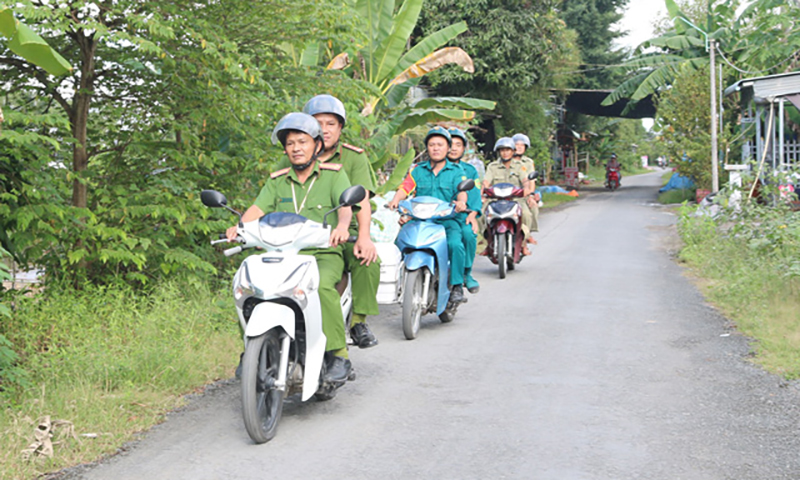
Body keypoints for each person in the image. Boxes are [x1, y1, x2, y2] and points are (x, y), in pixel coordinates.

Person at [226, 112, 355, 383]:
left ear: (316, 145)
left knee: (321, 288)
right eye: (290, 144)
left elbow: (346, 208)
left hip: (321, 254)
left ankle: (338, 354)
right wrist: (238, 228)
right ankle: (251, 348)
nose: (296, 148)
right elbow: (257, 209)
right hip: (279, 255)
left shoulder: (333, 176)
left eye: (302, 141)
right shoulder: (277, 180)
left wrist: (342, 228)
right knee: (248, 288)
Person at [273, 94, 380, 349]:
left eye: (331, 123)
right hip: (300, 234)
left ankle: (358, 321)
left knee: (367, 260)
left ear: (340, 127)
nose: (324, 129)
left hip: (345, 230)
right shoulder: (292, 155)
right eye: (317, 122)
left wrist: (363, 237)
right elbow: (271, 195)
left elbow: (360, 199)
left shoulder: (354, 158)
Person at [387, 126, 469, 304]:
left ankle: (456, 286)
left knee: (455, 245)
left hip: (446, 221)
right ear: (427, 148)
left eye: (440, 144)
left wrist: (461, 202)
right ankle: (395, 283)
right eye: (432, 144)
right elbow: (405, 187)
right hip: (419, 220)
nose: (436, 148)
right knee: (398, 243)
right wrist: (395, 199)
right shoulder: (417, 170)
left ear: (447, 148)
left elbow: (462, 191)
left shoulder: (456, 172)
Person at [483, 137, 535, 256]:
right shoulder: (492, 166)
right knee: (482, 213)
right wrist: (482, 192)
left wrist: (527, 190)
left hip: (516, 199)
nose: (505, 153)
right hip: (495, 199)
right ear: (499, 152)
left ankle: (523, 243)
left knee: (526, 214)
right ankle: (488, 241)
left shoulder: (519, 166)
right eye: (502, 150)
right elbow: (486, 181)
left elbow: (525, 180)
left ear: (513, 151)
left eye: (508, 150)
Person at [447, 127, 481, 294]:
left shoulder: (470, 170)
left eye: (458, 145)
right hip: (437, 215)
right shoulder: (429, 167)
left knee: (468, 234)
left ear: (463, 148)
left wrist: (473, 215)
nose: (454, 148)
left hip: (462, 216)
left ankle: (466, 273)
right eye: (451, 144)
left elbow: (474, 196)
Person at [512, 133, 540, 241]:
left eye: (522, 145)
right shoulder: (505, 160)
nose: (519, 147)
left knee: (531, 210)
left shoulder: (528, 162)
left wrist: (531, 195)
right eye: (516, 144)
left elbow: (531, 181)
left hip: (523, 194)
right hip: (506, 193)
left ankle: (526, 236)